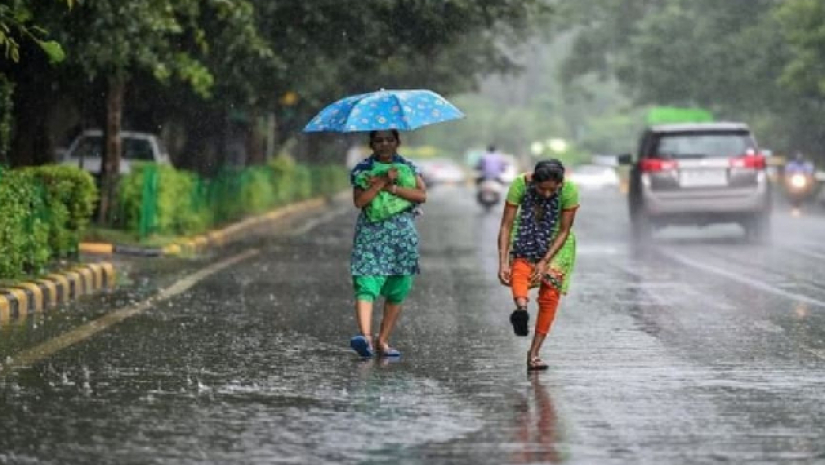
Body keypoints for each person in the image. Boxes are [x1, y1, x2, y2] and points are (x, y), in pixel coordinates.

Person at [348, 129, 427, 358]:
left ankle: (382, 340)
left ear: (397, 142)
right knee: (366, 282)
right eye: (379, 140)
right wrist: (381, 181)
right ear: (371, 144)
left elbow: (421, 196)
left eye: (389, 140)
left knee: (398, 288)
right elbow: (360, 201)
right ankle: (365, 339)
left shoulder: (409, 168)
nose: (384, 144)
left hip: (402, 237)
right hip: (371, 236)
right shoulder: (362, 170)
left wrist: (392, 187)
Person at [497, 159, 579, 371]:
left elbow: (564, 230)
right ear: (533, 181)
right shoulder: (519, 185)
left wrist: (544, 261)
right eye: (542, 189)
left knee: (550, 295)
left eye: (553, 190)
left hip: (557, 244)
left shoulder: (570, 190)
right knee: (519, 269)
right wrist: (503, 262)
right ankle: (521, 311)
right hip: (526, 234)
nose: (547, 194)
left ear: (560, 183)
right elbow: (506, 225)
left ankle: (534, 353)